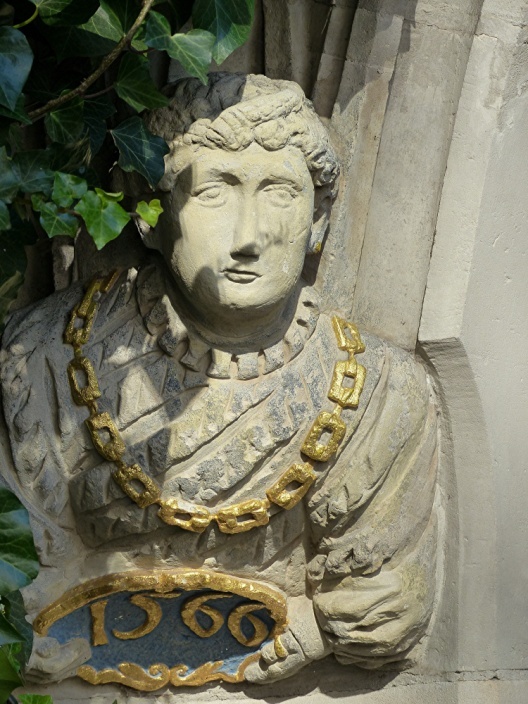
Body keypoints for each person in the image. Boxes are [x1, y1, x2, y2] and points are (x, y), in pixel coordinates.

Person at [0, 73, 439, 687]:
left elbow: (388, 602)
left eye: (281, 193)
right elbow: (17, 561)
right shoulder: (47, 355)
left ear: (319, 223)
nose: (248, 237)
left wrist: (317, 628)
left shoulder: (378, 392)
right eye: (214, 192)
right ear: (152, 217)